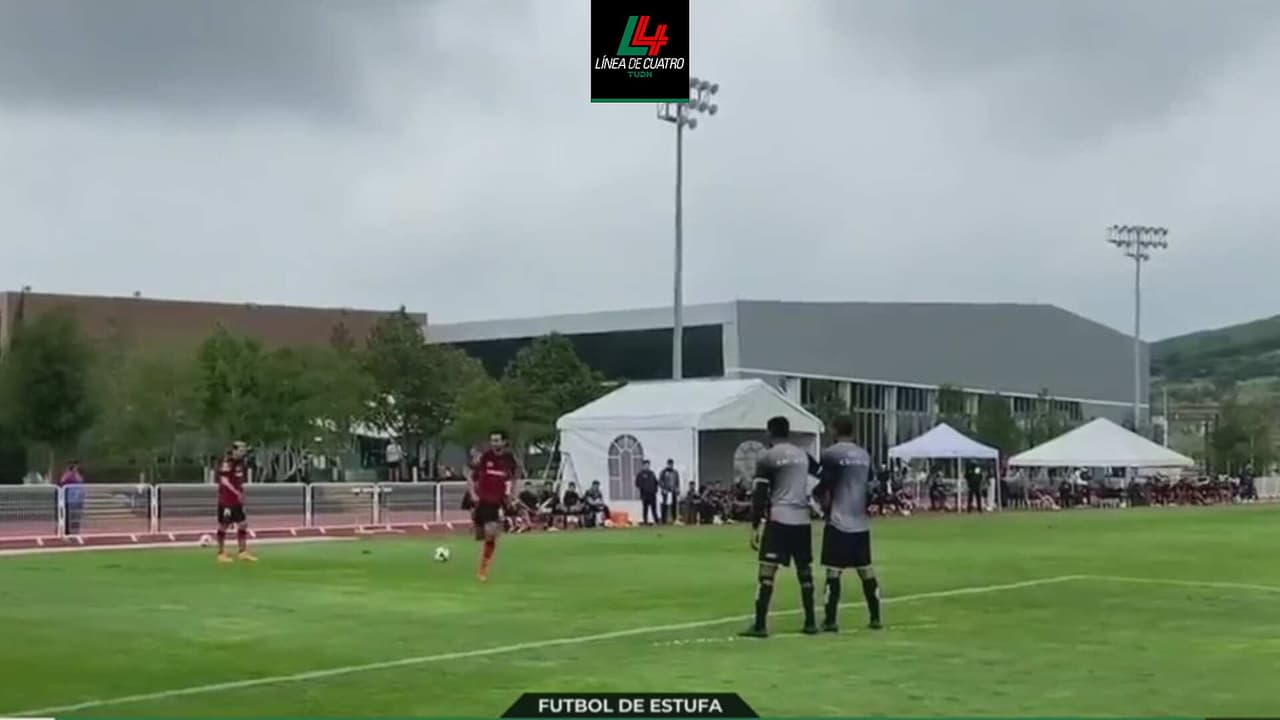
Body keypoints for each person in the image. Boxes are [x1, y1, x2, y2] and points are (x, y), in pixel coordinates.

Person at [741, 416, 820, 638]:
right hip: (802, 520)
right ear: (788, 432)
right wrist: (814, 498)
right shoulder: (803, 454)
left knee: (767, 572)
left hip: (779, 519)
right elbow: (823, 476)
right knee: (804, 572)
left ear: (769, 432)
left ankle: (760, 625)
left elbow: (760, 494)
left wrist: (755, 527)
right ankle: (811, 623)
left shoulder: (767, 457)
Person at [813, 416, 881, 632]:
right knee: (866, 570)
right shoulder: (864, 455)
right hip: (860, 523)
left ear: (835, 430)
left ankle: (830, 620)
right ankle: (875, 617)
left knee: (833, 572)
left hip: (838, 521)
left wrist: (820, 503)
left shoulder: (831, 454)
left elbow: (824, 484)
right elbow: (872, 488)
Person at [469, 429, 517, 581]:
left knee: (490, 535)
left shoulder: (509, 459)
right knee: (479, 535)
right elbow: (472, 477)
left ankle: (483, 569)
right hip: (482, 500)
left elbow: (512, 479)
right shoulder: (485, 457)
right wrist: (473, 494)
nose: (494, 443)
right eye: (492, 440)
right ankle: (486, 526)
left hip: (497, 501)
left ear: (504, 442)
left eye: (497, 440)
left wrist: (510, 495)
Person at [215, 441, 256, 563]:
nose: (243, 452)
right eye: (241, 450)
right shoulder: (227, 462)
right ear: (234, 450)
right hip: (226, 500)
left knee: (243, 523)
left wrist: (240, 492)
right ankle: (221, 553)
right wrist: (236, 492)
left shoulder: (241, 463)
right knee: (224, 525)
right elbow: (224, 480)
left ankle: (242, 552)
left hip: (237, 501)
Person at [58, 460, 86, 535]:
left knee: (77, 517)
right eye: (73, 466)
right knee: (68, 516)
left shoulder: (78, 475)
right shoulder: (68, 475)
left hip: (78, 499)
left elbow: (81, 484)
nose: (75, 467)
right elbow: (62, 481)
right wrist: (70, 473)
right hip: (70, 499)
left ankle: (76, 532)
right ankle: (67, 533)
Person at [634, 459, 659, 525]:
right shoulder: (640, 474)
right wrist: (643, 488)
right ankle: (645, 521)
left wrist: (655, 490)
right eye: (646, 465)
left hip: (652, 494)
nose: (647, 466)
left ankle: (656, 521)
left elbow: (656, 482)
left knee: (654, 508)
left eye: (648, 465)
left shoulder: (652, 473)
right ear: (643, 465)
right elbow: (637, 483)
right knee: (645, 508)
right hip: (645, 494)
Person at [658, 459, 680, 524]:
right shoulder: (663, 472)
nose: (671, 465)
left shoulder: (675, 472)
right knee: (664, 506)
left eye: (672, 464)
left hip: (673, 491)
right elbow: (660, 481)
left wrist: (677, 489)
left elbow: (677, 482)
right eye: (669, 464)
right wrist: (663, 489)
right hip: (666, 492)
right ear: (667, 464)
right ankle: (663, 520)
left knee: (674, 506)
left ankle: (674, 519)